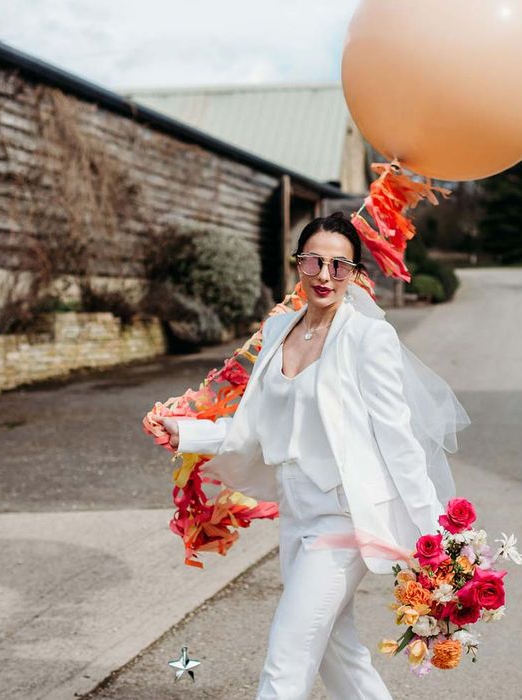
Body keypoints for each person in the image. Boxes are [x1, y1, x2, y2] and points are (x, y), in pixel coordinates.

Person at [163, 211, 469, 699]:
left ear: (354, 273)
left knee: (286, 659)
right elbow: (254, 426)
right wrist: (183, 433)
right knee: (338, 655)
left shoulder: (368, 338)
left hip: (343, 520)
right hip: (296, 517)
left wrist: (438, 539)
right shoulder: (280, 329)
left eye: (339, 265)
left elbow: (399, 440)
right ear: (298, 264)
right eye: (314, 261)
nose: (325, 275)